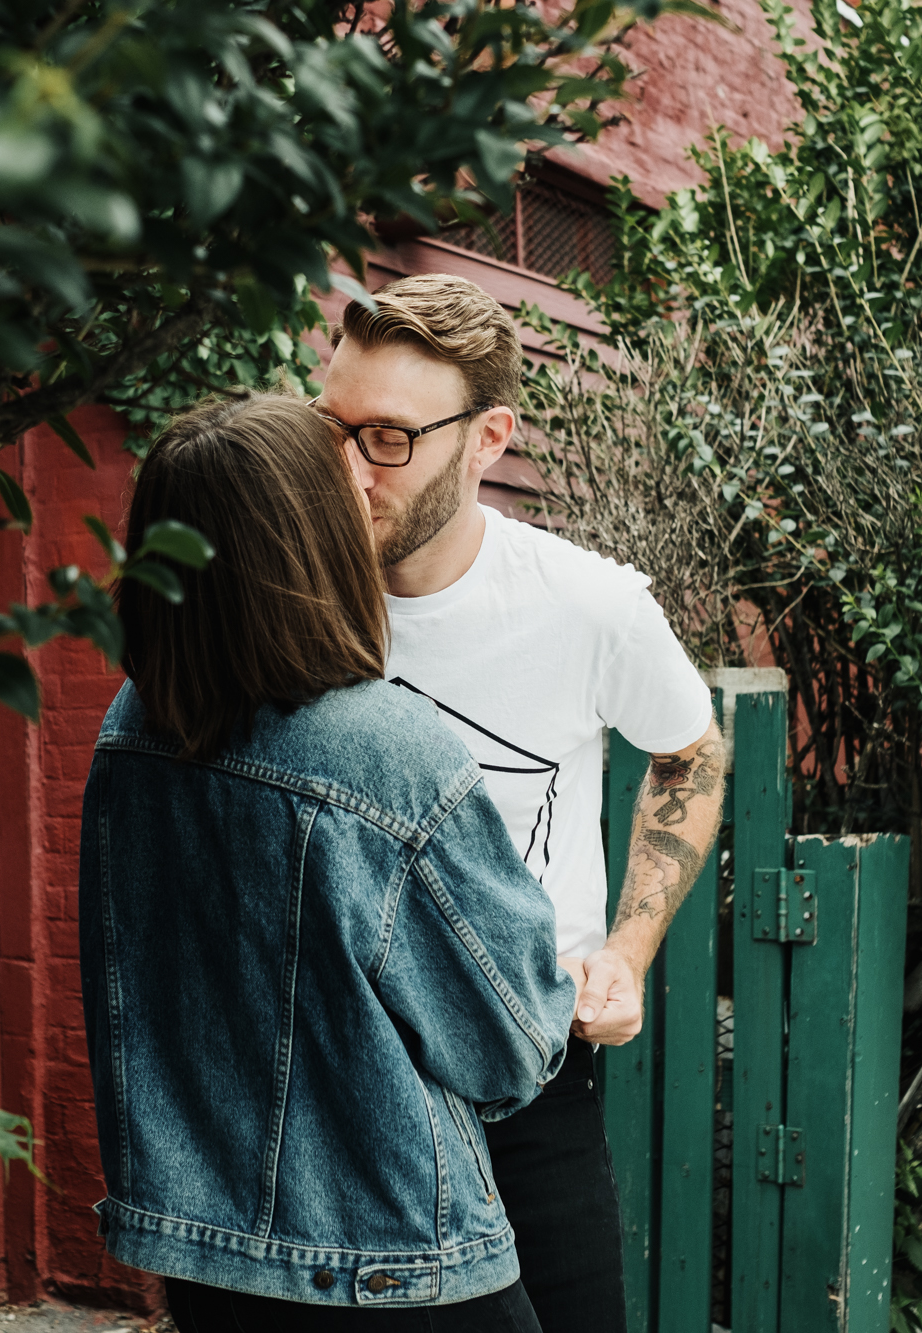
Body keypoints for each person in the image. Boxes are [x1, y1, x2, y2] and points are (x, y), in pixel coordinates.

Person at [79, 391, 578, 1332]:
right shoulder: (383, 749)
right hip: (391, 1270)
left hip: (207, 1261)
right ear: (302, 539)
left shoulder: (130, 728)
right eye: (353, 490)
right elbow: (508, 1046)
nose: (373, 504)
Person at [311, 273, 727, 1333]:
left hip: (522, 1073)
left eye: (390, 439)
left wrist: (628, 952)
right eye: (333, 429)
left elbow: (688, 756)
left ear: (486, 437)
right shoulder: (285, 602)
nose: (350, 471)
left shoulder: (584, 605)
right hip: (326, 1073)